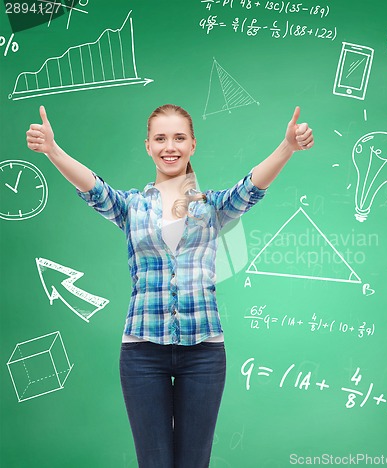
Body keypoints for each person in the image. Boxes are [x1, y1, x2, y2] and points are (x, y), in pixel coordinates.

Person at [26, 103, 314, 467]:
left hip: (204, 353)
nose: (170, 146)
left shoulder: (212, 207)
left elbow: (251, 186)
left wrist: (287, 146)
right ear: (148, 146)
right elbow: (94, 188)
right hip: (142, 353)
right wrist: (53, 150)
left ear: (193, 144)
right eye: (160, 138)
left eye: (179, 137)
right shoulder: (131, 207)